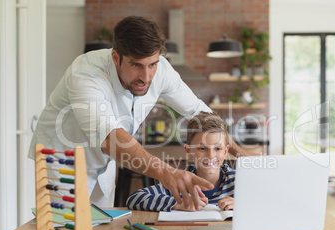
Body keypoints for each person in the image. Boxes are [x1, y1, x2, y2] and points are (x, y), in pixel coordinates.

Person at [28, 16, 248, 208]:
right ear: (116, 57)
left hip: (103, 163)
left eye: (152, 64)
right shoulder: (86, 75)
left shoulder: (160, 68)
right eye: (136, 65)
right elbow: (110, 137)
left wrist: (241, 154)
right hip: (62, 161)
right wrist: (167, 173)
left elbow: (201, 114)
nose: (146, 76)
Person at [126, 112, 235, 211]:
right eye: (202, 148)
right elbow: (134, 199)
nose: (211, 156)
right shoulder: (179, 181)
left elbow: (252, 203)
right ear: (188, 151)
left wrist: (242, 204)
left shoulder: (238, 180)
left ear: (225, 151)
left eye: (218, 149)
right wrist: (178, 203)